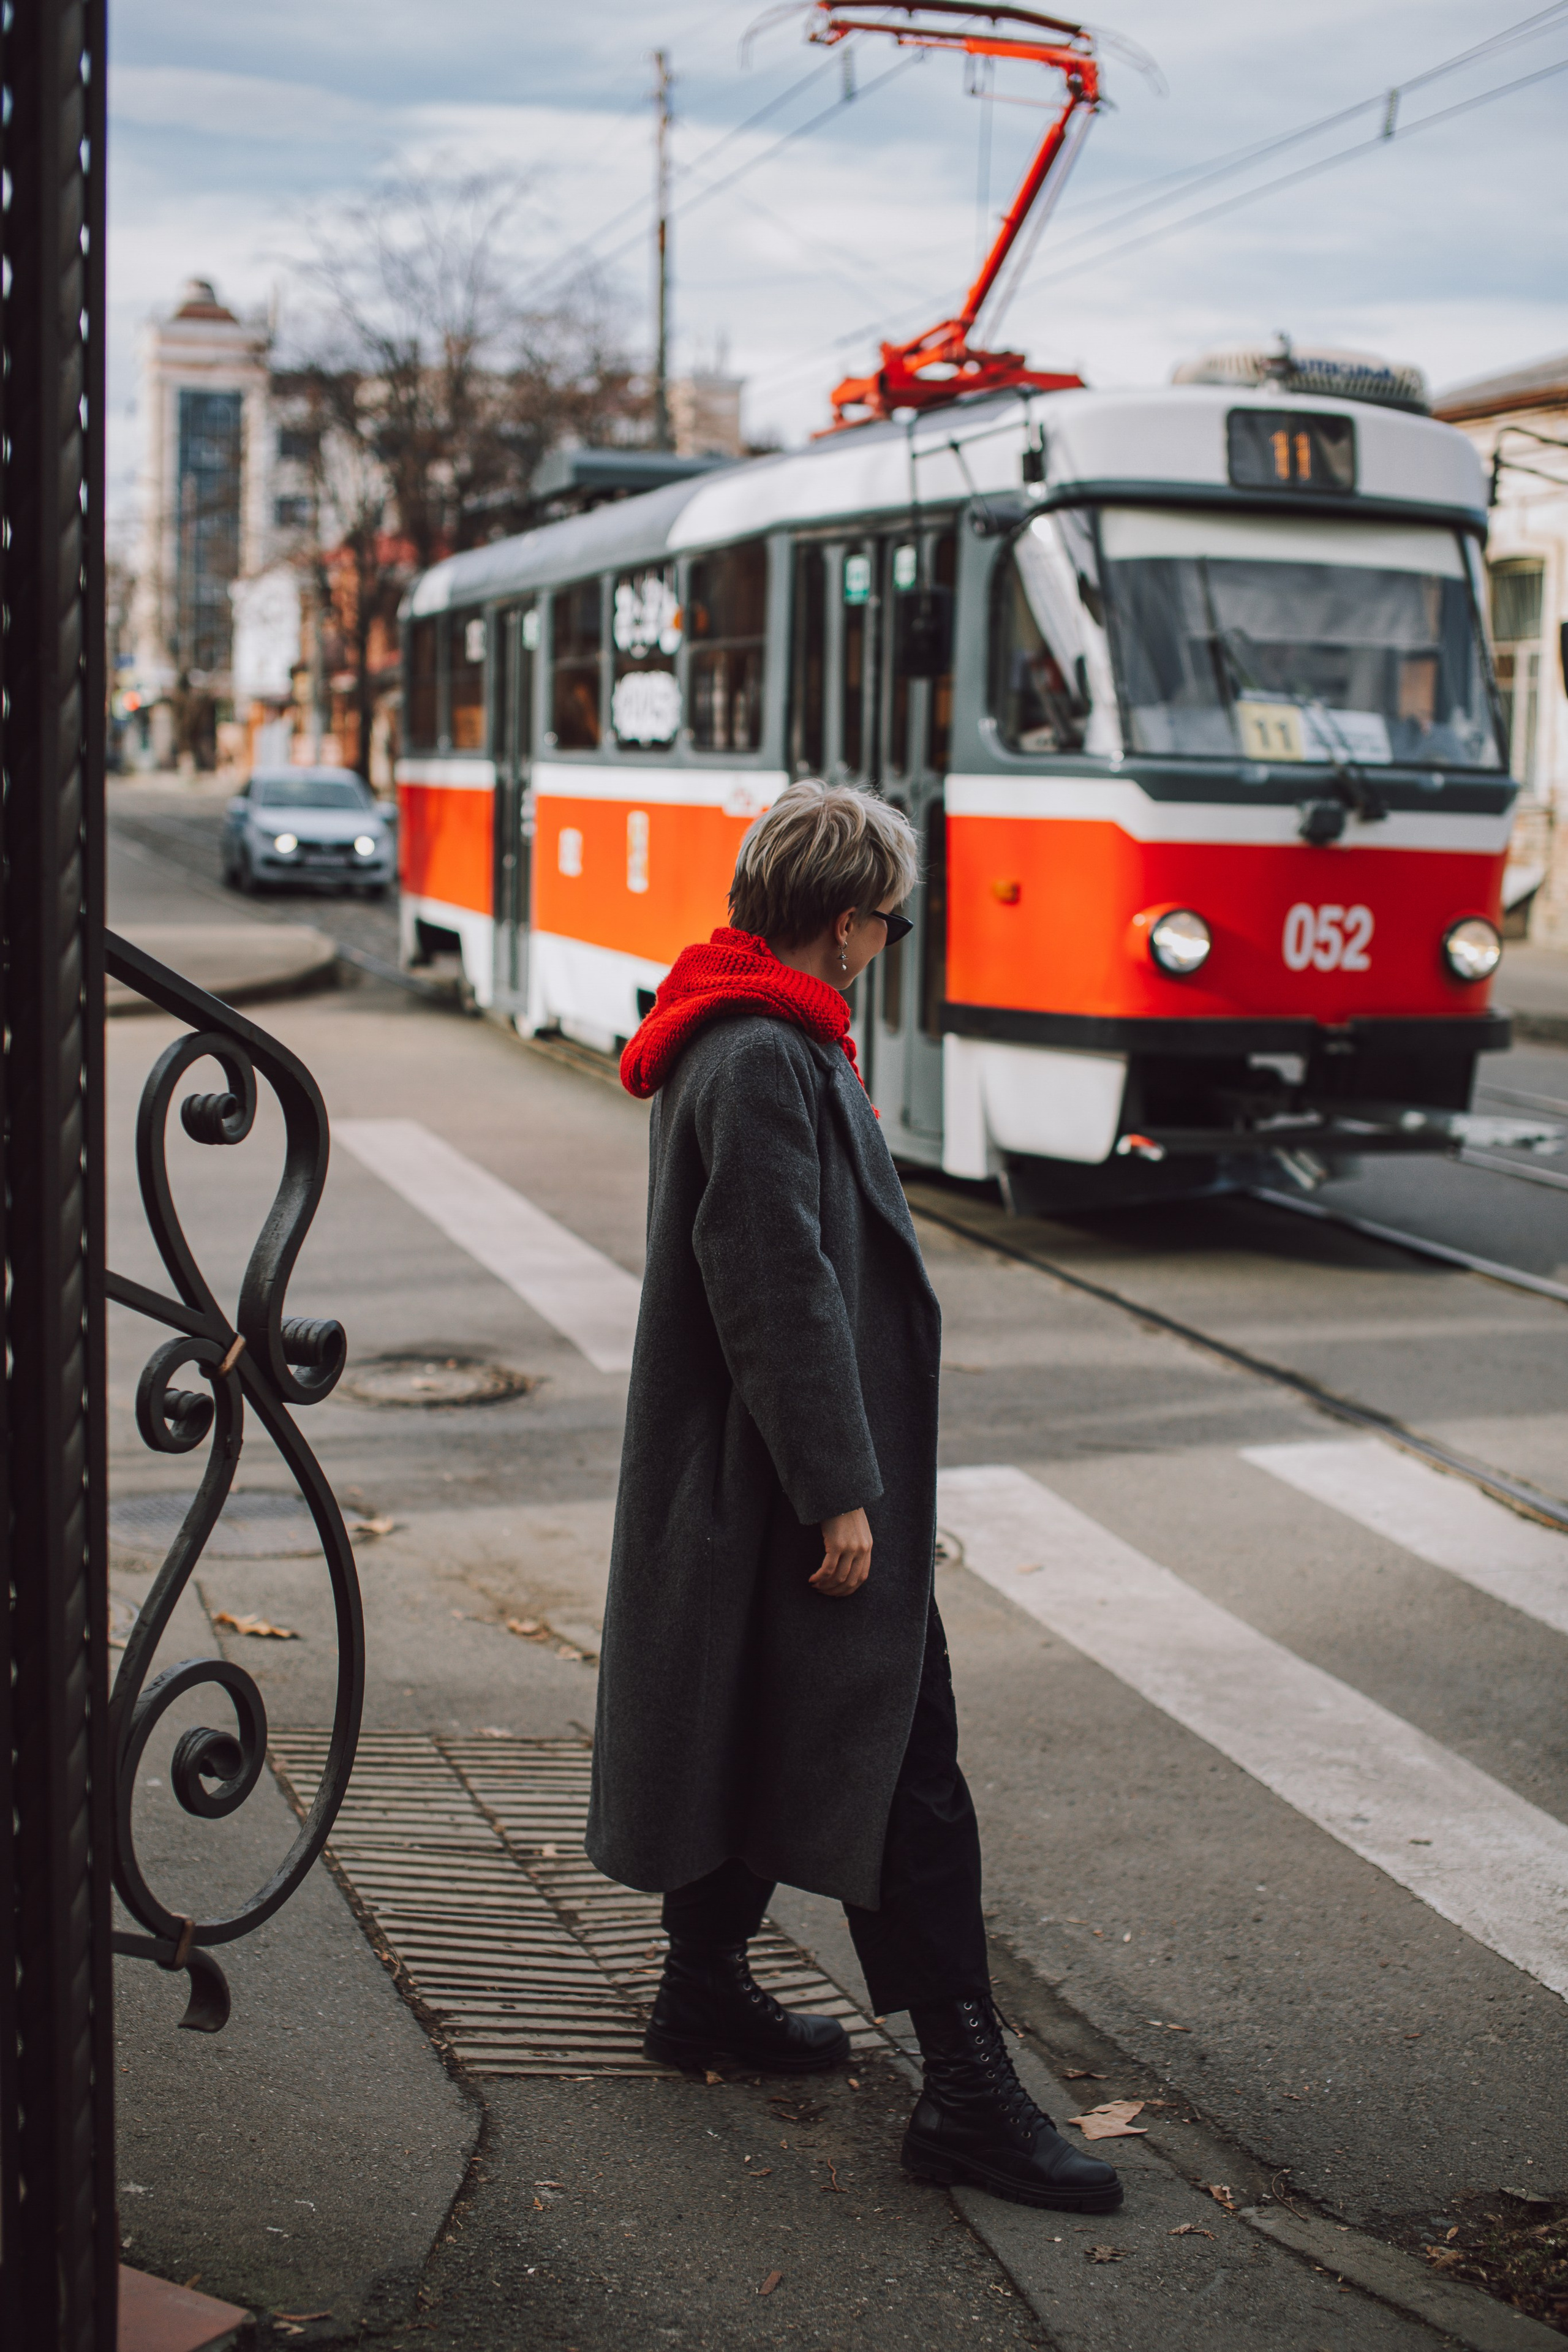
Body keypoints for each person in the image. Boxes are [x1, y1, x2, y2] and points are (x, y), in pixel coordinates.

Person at [587, 780, 1121, 2215]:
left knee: (765, 1734)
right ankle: (964, 2094)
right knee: (909, 1777)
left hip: (748, 1485)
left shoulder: (749, 1025)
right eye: (884, 921)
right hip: (781, 1487)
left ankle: (701, 1995)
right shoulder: (763, 1052)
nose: (887, 943)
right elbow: (776, 1289)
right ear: (842, 924)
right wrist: (840, 1496)